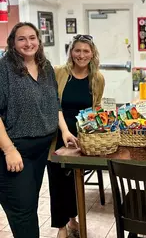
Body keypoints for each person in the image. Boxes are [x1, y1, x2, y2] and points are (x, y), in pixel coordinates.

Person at [0, 22, 77, 238]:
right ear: (13, 43)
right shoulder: (4, 69)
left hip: (41, 151)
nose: (28, 43)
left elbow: (55, 103)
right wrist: (9, 150)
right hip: (16, 151)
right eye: (21, 39)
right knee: (22, 211)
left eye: (32, 37)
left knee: (29, 205)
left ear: (39, 40)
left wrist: (64, 131)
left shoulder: (45, 67)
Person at [47, 34, 105, 238]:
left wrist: (96, 129)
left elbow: (95, 107)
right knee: (57, 181)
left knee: (74, 181)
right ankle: (61, 228)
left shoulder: (97, 77)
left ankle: (73, 220)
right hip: (58, 134)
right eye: (77, 50)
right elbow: (53, 104)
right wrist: (64, 131)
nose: (81, 55)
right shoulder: (58, 73)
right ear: (71, 52)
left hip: (82, 138)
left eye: (86, 51)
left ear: (92, 53)